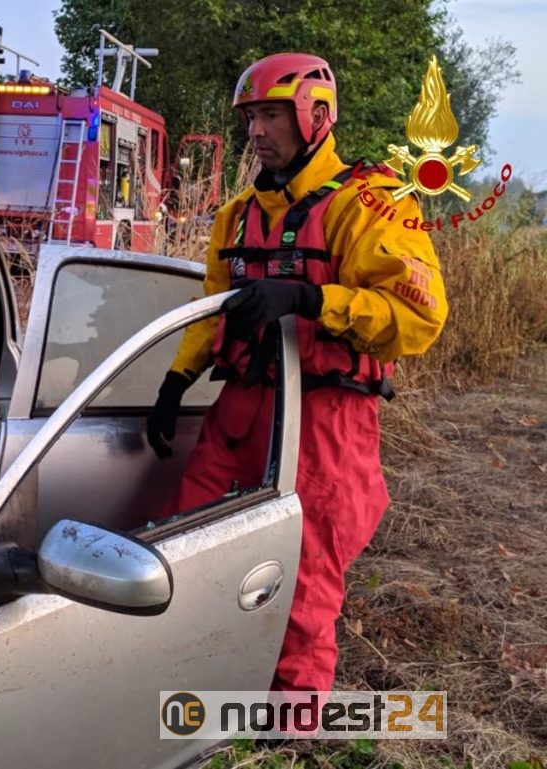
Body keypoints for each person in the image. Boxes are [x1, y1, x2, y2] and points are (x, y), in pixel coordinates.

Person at [145, 53, 448, 697]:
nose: (256, 131)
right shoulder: (237, 215)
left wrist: (313, 300)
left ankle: (294, 721)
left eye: (272, 115)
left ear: (315, 116)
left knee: (303, 583)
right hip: (240, 412)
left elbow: (419, 317)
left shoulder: (370, 205)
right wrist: (176, 379)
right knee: (184, 548)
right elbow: (213, 306)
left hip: (324, 421)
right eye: (251, 117)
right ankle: (188, 694)